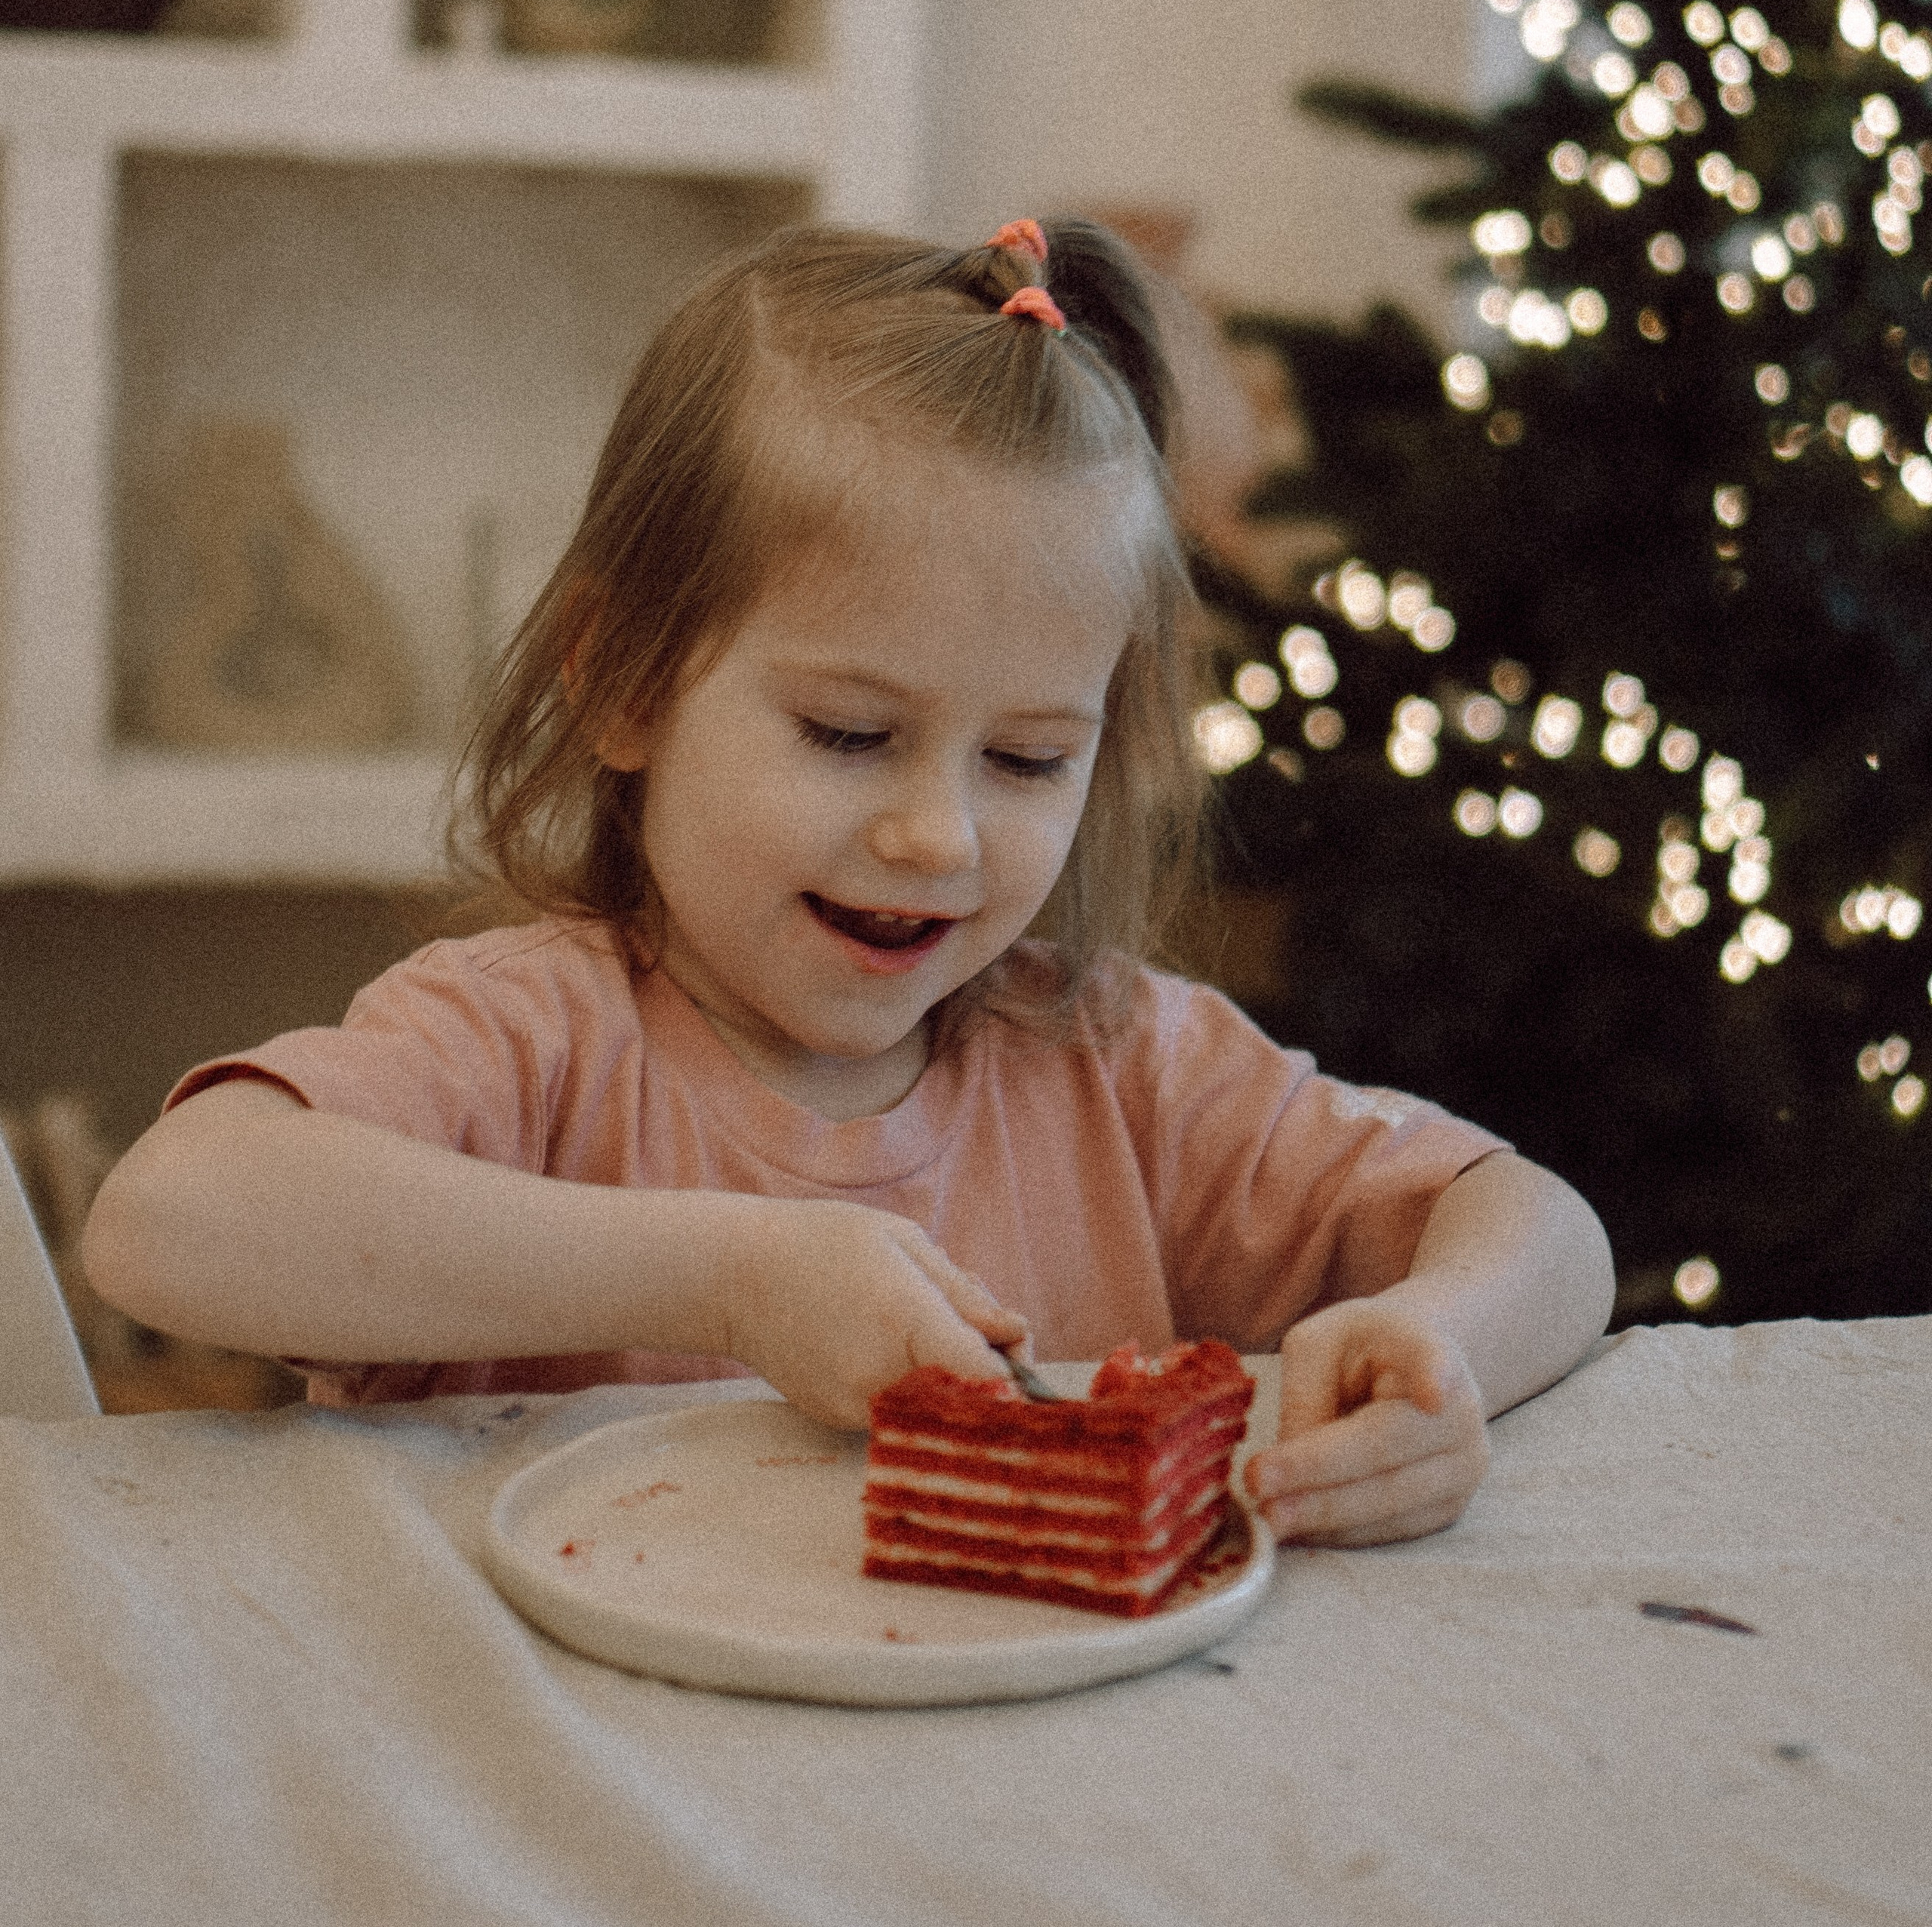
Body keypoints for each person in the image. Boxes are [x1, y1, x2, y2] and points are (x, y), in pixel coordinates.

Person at [85, 219, 1614, 1549]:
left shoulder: (1120, 1068)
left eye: (1024, 760)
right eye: (848, 733)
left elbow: (1536, 1225)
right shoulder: (527, 1039)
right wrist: (731, 1278)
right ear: (622, 682)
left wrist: (1432, 1347)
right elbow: (170, 1221)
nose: (935, 837)